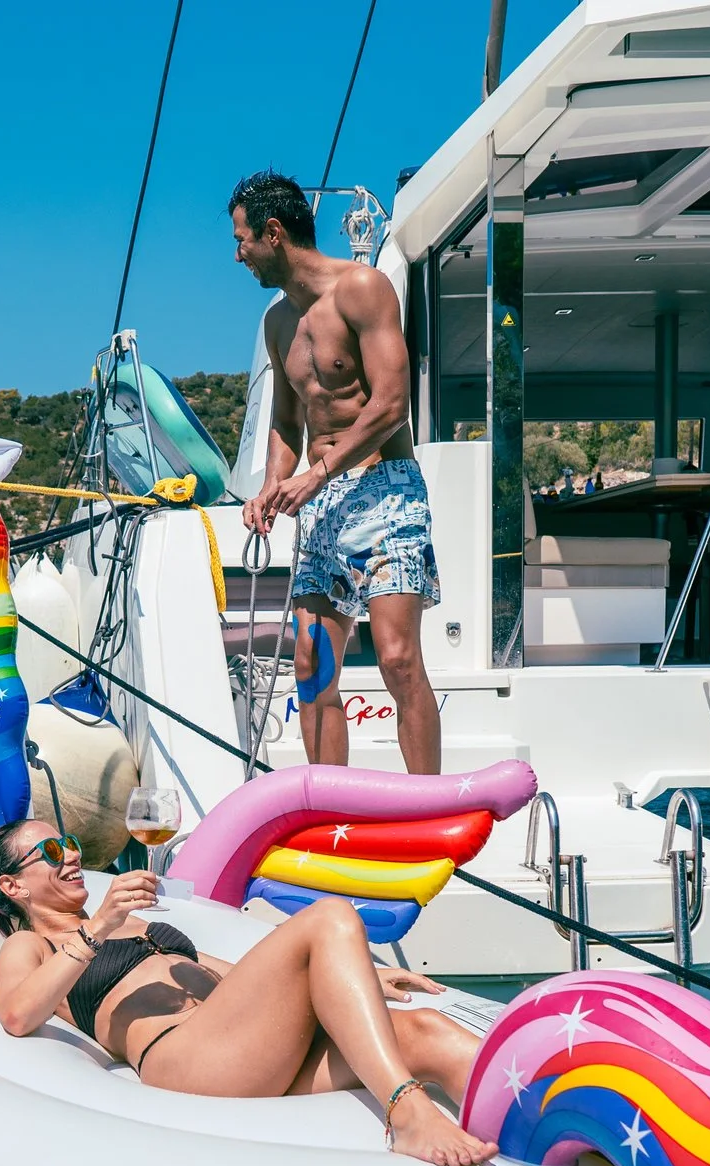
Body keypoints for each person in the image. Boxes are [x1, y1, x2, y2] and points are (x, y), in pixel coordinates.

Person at [0, 820, 497, 1166]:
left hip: (245, 1043)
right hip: (186, 1057)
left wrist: (353, 975)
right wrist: (94, 930)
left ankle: (561, 1125)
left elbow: (233, 977)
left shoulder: (134, 923)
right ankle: (406, 1115)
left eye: (66, 842)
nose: (70, 855)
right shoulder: (32, 943)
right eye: (49, 852)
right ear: (13, 886)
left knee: (430, 1034)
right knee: (332, 914)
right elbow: (18, 1014)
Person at [230, 171, 443, 775]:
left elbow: (391, 404)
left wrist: (317, 473)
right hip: (320, 503)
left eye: (243, 239)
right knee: (311, 668)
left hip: (385, 493)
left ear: (274, 233)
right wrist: (272, 484)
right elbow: (284, 421)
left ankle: (427, 809)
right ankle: (329, 808)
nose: (237, 253)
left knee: (398, 660)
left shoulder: (363, 289)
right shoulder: (277, 324)